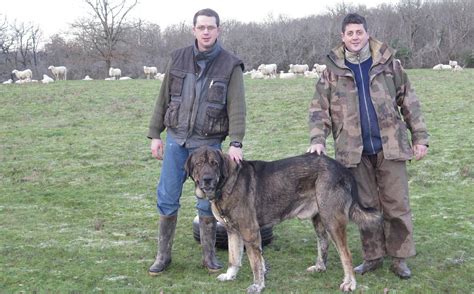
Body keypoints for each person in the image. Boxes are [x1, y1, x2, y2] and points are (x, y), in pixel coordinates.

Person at [308, 13, 429, 279]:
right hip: (353, 152)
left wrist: (419, 137)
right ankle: (372, 256)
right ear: (342, 36)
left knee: (397, 205)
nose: (355, 37)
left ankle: (399, 258)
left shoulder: (388, 63)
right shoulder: (331, 71)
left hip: (390, 146)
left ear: (366, 33)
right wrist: (317, 140)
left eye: (359, 32)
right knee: (365, 206)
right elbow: (319, 109)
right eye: (349, 33)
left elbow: (409, 101)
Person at [147, 8, 246, 275]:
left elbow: (237, 106)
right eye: (201, 27)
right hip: (175, 141)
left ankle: (209, 257)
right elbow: (163, 98)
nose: (205, 32)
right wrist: (155, 134)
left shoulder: (230, 64)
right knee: (167, 197)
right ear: (193, 30)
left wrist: (236, 142)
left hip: (209, 144)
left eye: (210, 27)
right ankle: (163, 256)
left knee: (207, 201)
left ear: (218, 30)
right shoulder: (177, 58)